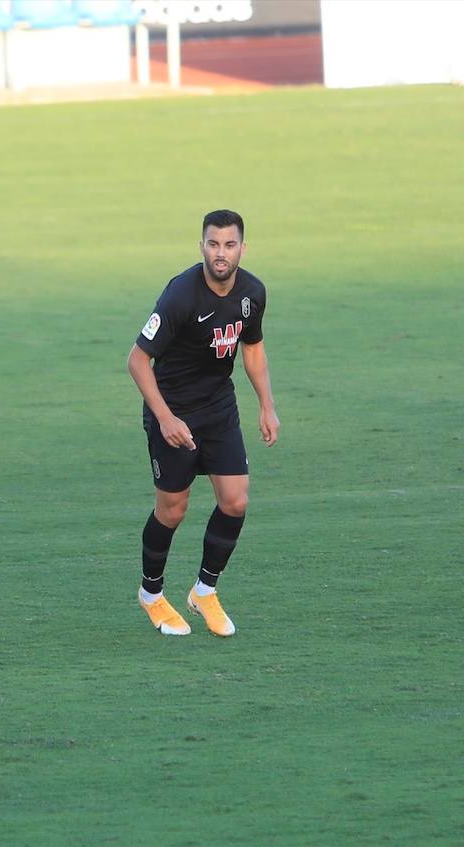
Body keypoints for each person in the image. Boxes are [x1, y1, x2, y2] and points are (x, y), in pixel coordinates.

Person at [128, 209, 279, 637]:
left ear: (242, 249)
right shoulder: (180, 295)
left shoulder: (252, 293)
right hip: (171, 410)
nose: (221, 253)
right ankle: (152, 596)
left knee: (235, 500)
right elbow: (137, 360)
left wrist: (266, 405)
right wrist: (165, 417)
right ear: (202, 246)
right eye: (213, 244)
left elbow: (252, 349)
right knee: (173, 510)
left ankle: (204, 592)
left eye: (229, 245)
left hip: (217, 409)